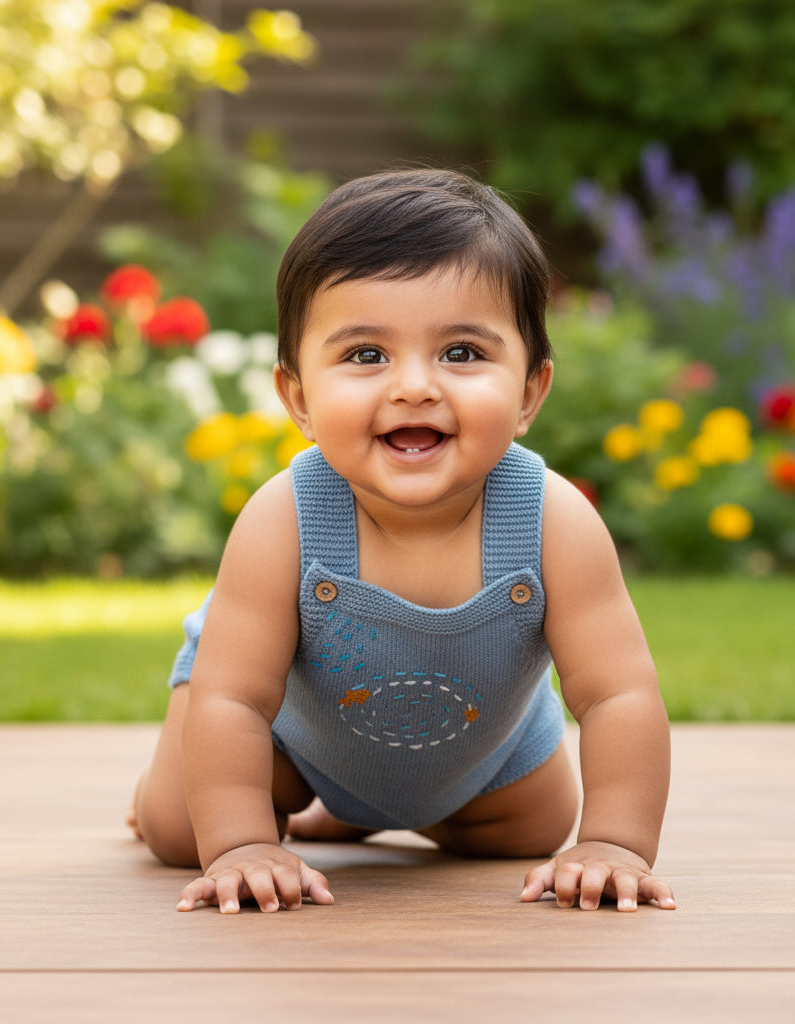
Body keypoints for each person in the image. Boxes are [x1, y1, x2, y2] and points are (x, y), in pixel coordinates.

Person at [131, 168, 675, 916]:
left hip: (483, 755)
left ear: (528, 392)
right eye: (366, 355)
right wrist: (241, 846)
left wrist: (614, 843)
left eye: (462, 353)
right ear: (298, 398)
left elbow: (618, 693)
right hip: (291, 739)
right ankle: (294, 805)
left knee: (538, 828)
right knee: (180, 830)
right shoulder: (285, 518)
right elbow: (234, 699)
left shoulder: (553, 520)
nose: (414, 386)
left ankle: (380, 816)